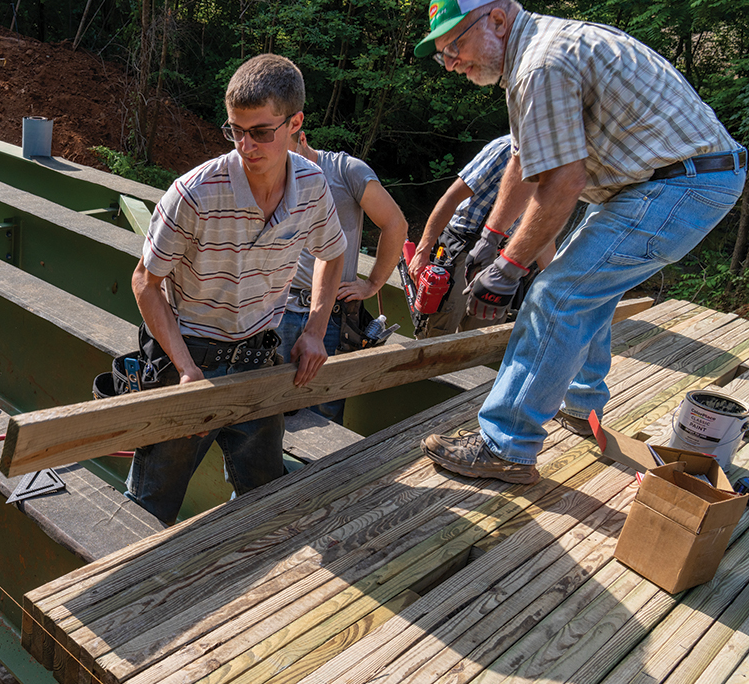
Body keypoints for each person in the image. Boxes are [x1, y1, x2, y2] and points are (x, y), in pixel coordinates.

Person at [413, 0, 746, 485]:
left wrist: (508, 267)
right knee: (585, 288)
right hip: (656, 180)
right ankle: (578, 401)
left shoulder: (540, 64)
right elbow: (525, 161)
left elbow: (564, 183)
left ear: (497, 20)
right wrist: (490, 240)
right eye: (443, 55)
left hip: (681, 183)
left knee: (557, 295)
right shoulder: (534, 55)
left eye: (455, 44)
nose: (453, 62)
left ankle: (507, 443)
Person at [129, 53, 347, 525]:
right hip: (189, 358)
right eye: (235, 130)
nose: (246, 145)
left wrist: (314, 330)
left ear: (295, 124)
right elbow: (145, 281)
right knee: (152, 500)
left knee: (264, 490)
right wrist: (185, 371)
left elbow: (333, 252)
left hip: (258, 357)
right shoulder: (196, 193)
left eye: (261, 132)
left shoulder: (312, 185)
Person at [276, 131, 407, 422]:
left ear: (302, 137)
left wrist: (372, 283)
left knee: (322, 414)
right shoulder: (268, 173)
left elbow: (395, 223)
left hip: (332, 314)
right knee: (262, 414)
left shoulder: (346, 170)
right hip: (277, 310)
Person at [408, 134, 552, 338]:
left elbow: (543, 234)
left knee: (481, 339)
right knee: (435, 334)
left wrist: (556, 287)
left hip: (502, 263)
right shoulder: (506, 149)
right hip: (461, 251)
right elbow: (452, 197)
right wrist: (423, 252)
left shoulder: (557, 171)